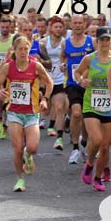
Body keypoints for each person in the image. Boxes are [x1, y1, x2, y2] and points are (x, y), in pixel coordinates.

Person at [0, 36, 53, 191]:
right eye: (20, 49)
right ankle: (20, 180)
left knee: (32, 147)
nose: (23, 52)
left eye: (26, 49)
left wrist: (45, 99)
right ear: (14, 50)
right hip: (14, 112)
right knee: (18, 148)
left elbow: (49, 83)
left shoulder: (36, 66)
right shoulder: (8, 67)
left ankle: (29, 156)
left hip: (32, 112)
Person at [75, 27, 111, 191]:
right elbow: (77, 72)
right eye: (102, 39)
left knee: (105, 146)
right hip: (91, 105)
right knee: (96, 140)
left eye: (108, 39)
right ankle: (89, 163)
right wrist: (81, 80)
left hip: (110, 106)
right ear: (97, 41)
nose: (105, 42)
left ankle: (98, 177)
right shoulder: (89, 58)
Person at [65, 15, 94, 164]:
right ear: (71, 24)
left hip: (88, 84)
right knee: (76, 114)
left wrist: (86, 75)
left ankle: (84, 142)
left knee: (87, 118)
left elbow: (97, 60)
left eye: (80, 23)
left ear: (84, 24)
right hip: (73, 84)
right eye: (75, 23)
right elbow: (64, 58)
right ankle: (75, 147)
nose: (77, 25)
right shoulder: (66, 43)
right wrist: (64, 66)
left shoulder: (91, 42)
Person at [40, 16, 68, 151]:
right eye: (55, 26)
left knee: (59, 107)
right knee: (46, 109)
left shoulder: (65, 43)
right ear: (51, 28)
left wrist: (65, 65)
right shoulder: (43, 42)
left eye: (60, 27)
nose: (58, 29)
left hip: (59, 79)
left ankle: (59, 138)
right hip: (45, 79)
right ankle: (41, 122)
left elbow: (68, 58)